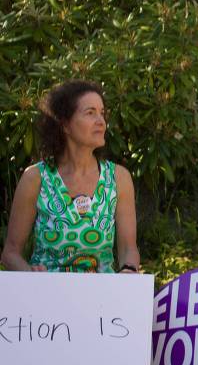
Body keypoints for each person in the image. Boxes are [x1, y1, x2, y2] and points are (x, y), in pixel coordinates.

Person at [2, 80, 140, 274]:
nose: (101, 121)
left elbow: (128, 249)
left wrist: (129, 269)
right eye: (90, 113)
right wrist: (30, 276)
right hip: (46, 297)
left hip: (102, 299)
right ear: (65, 124)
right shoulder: (35, 178)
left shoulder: (119, 178)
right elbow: (11, 253)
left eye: (102, 113)